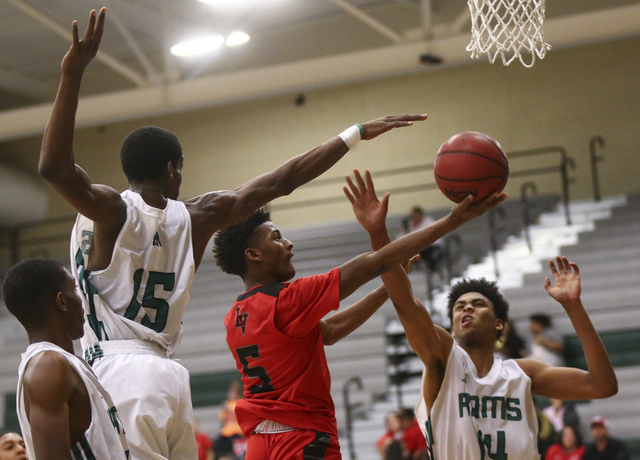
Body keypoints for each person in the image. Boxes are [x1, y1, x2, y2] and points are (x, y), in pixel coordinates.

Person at [38, 7, 428, 459]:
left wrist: (72, 76)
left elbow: (53, 167)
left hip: (116, 369)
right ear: (173, 169)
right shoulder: (201, 214)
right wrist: (354, 133)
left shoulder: (108, 210)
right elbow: (282, 179)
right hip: (166, 372)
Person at [213, 170, 504, 459]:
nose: (289, 243)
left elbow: (328, 332)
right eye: (276, 237)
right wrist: (453, 220)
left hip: (260, 444)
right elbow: (375, 261)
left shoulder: (235, 316)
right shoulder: (287, 299)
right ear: (253, 255)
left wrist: (385, 290)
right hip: (301, 438)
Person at [347, 171, 618, 460]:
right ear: (451, 326)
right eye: (459, 306)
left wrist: (574, 308)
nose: (467, 308)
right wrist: (378, 233)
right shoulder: (442, 360)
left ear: (499, 324)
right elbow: (405, 303)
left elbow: (602, 385)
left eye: (478, 304)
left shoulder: (523, 373)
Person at [2, 258, 129, 459]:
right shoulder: (49, 365)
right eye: (75, 290)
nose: (81, 300)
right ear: (61, 301)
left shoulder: (63, 363)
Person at [214, 381, 247, 460]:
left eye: (233, 391)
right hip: (227, 433)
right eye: (231, 391)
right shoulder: (227, 403)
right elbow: (222, 418)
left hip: (238, 432)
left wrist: (229, 410)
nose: (231, 393)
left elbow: (240, 417)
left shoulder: (242, 403)